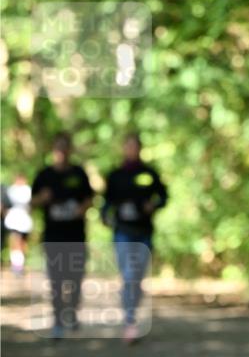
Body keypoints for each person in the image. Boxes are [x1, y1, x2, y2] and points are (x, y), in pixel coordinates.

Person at [101, 133, 167, 344]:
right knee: (128, 274)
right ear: (123, 148)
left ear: (140, 148)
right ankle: (130, 321)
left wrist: (153, 205)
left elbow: (163, 196)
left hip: (144, 232)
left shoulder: (149, 174)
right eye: (127, 145)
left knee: (137, 277)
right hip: (122, 231)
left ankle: (132, 314)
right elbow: (106, 202)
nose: (131, 149)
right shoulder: (115, 175)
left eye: (135, 146)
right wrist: (105, 216)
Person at [31, 133, 94, 337]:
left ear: (70, 150)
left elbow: (90, 198)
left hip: (76, 236)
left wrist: (81, 208)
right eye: (58, 147)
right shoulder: (44, 175)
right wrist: (43, 198)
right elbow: (32, 203)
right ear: (53, 150)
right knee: (56, 279)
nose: (62, 152)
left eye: (65, 147)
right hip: (53, 237)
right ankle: (58, 319)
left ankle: (72, 312)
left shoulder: (79, 173)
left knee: (74, 278)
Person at [4, 174, 33, 274]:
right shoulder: (11, 190)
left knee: (23, 243)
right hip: (13, 220)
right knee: (15, 241)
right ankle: (16, 266)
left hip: (24, 221)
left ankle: (20, 264)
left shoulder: (28, 190)